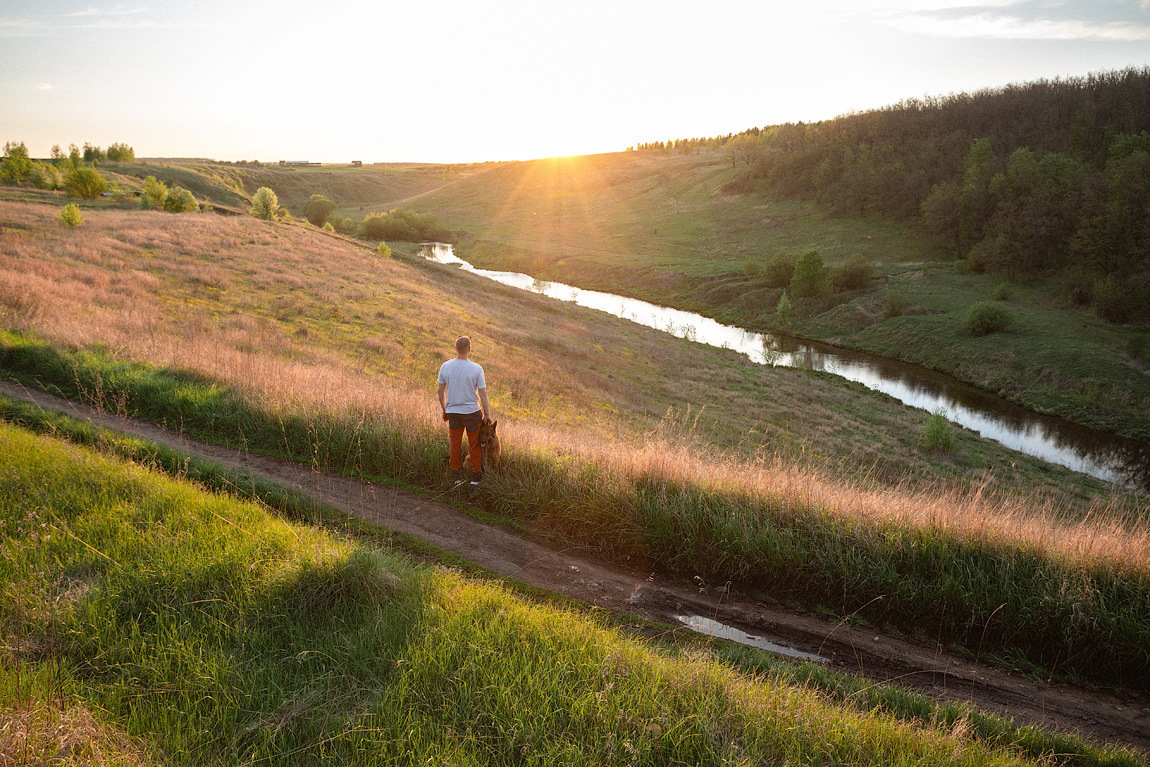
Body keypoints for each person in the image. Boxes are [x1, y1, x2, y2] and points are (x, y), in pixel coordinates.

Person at [437, 336, 492, 485]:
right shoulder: (477, 368)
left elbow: (440, 391)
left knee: (454, 443)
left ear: (455, 348)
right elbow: (483, 393)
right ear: (469, 350)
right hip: (472, 413)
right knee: (474, 444)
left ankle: (456, 477)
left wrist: (444, 409)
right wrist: (487, 415)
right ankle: (475, 478)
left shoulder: (445, 366)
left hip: (453, 412)